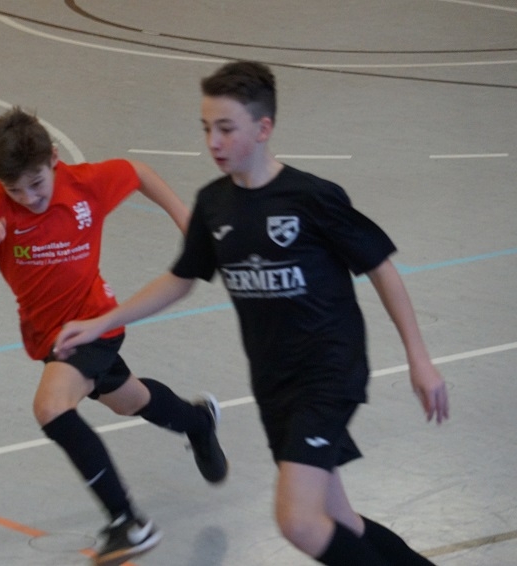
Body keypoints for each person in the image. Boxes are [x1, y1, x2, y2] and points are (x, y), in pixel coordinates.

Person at [54, 61, 449, 566]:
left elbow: (381, 268)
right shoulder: (214, 205)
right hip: (274, 383)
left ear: (263, 128)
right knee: (338, 519)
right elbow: (180, 280)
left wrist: (420, 359)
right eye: (206, 128)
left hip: (327, 375)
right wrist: (102, 322)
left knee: (298, 521)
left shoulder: (312, 198)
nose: (213, 142)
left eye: (226, 128)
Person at [0, 107, 228, 566]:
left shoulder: (85, 184)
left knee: (51, 407)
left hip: (95, 322)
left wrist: (186, 221)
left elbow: (138, 172)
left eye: (36, 183)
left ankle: (127, 521)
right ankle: (198, 421)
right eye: (15, 189)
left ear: (54, 158)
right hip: (50, 338)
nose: (28, 198)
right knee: (130, 400)